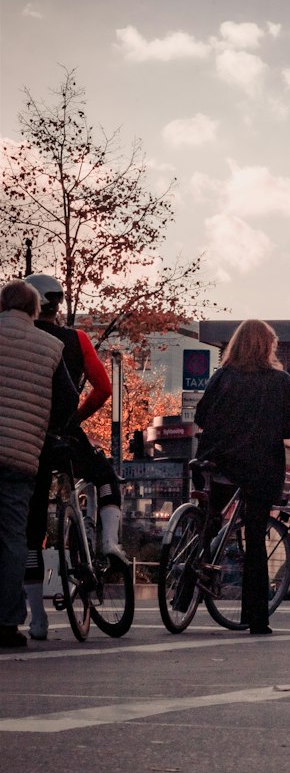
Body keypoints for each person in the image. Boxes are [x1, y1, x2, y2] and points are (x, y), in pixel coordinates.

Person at [23, 273, 124, 641]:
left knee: (32, 526)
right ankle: (110, 541)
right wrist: (77, 418)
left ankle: (38, 619)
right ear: (58, 304)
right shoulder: (77, 339)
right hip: (67, 433)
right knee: (104, 476)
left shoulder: (21, 339)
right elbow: (103, 388)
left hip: (29, 436)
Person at [193, 319, 290, 635]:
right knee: (254, 537)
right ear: (268, 346)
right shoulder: (281, 382)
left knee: (208, 520)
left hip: (220, 463)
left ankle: (186, 590)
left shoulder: (221, 378)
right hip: (260, 468)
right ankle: (256, 618)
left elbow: (201, 416)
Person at [0, 281, 78, 648]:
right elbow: (68, 400)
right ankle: (6, 622)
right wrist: (45, 430)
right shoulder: (50, 346)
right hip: (21, 455)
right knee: (14, 537)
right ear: (35, 310)